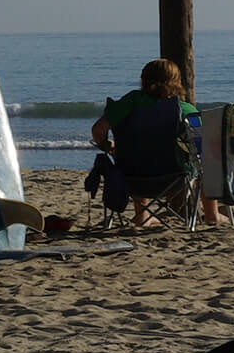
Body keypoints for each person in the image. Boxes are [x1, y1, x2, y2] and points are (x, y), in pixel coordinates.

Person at [91, 59, 225, 227]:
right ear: (176, 82)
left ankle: (142, 216)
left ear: (143, 80)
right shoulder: (184, 109)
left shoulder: (130, 102)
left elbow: (97, 130)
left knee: (137, 153)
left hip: (131, 178)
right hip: (175, 178)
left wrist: (108, 146)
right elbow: (207, 146)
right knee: (208, 160)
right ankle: (213, 215)